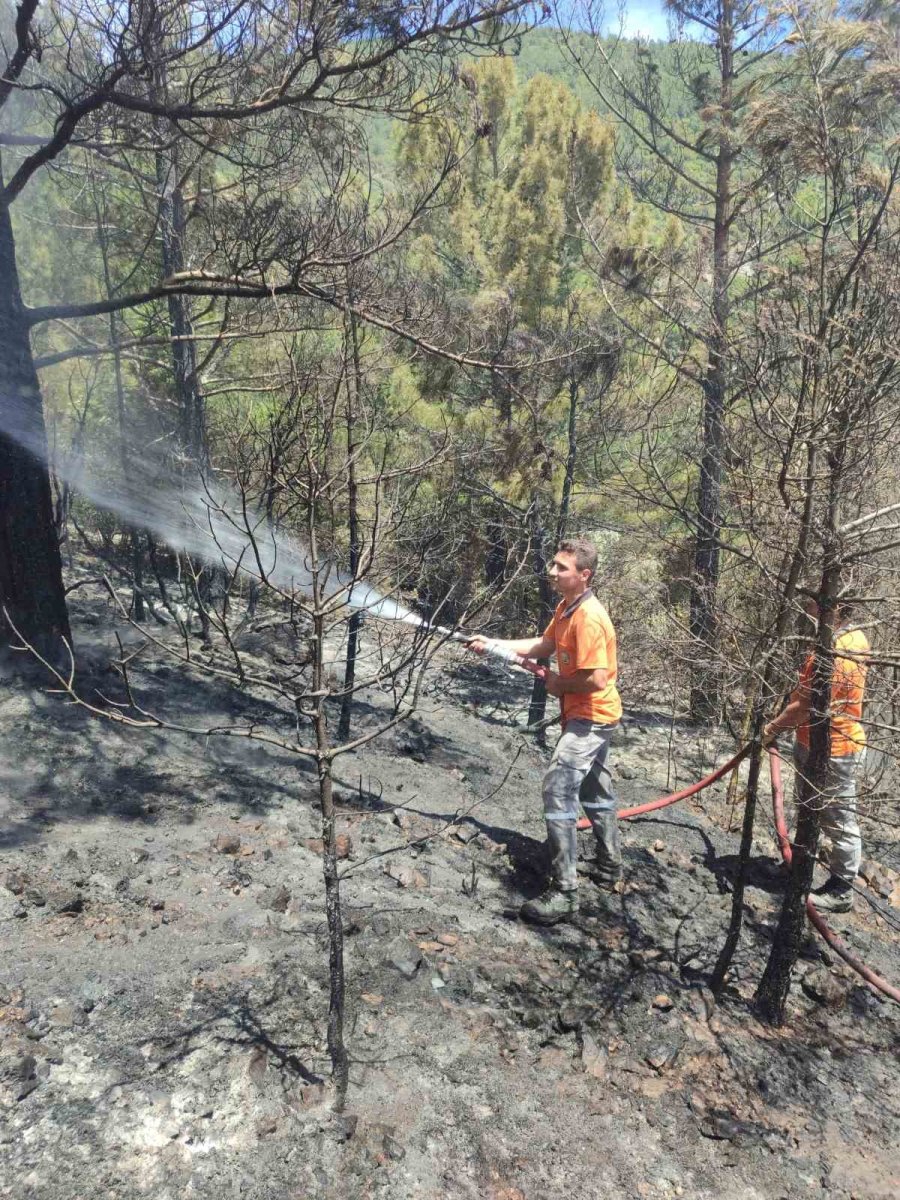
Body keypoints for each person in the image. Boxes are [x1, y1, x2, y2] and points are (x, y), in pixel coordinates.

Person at [468, 537, 622, 925]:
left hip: (590, 715)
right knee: (595, 792)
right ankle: (608, 868)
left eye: (562, 568)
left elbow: (597, 679)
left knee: (557, 790)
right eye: (553, 564)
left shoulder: (588, 618)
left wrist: (557, 685)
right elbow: (544, 644)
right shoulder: (568, 607)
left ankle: (566, 891)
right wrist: (494, 643)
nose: (552, 572)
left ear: (584, 575)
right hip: (588, 714)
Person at [763, 602, 869, 914]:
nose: (809, 606)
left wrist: (770, 729)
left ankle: (840, 890)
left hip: (833, 749)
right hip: (819, 742)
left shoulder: (836, 650)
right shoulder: (850, 638)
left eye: (816, 602)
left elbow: (806, 705)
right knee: (809, 811)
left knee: (837, 819)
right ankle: (800, 871)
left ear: (835, 606)